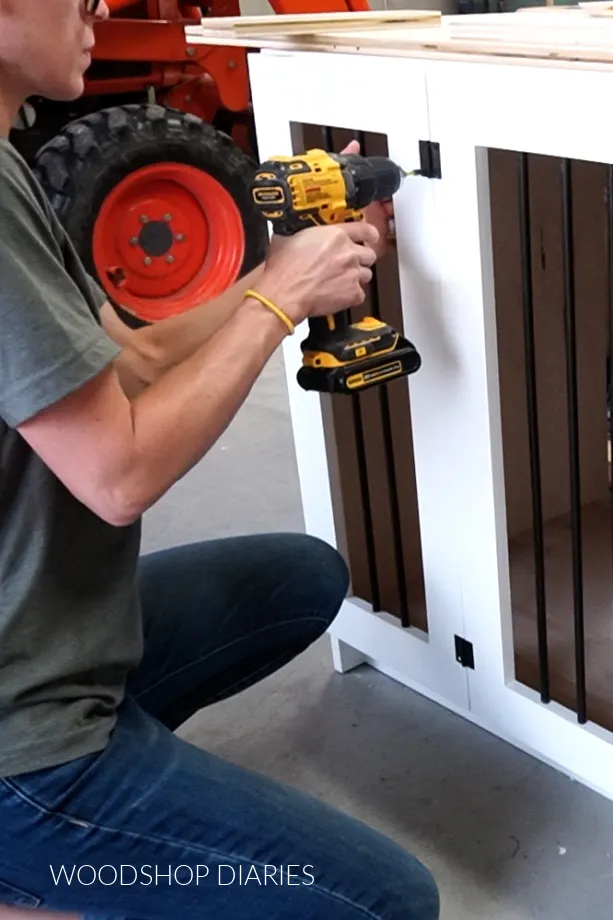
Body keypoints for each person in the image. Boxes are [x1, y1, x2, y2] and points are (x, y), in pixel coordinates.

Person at [0, 0, 441, 916]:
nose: (93, 4)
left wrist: (286, 272)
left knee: (302, 578)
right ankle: (46, 855)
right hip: (18, 735)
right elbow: (118, 476)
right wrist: (279, 301)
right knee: (388, 903)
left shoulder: (6, 165)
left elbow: (140, 356)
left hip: (39, 642)